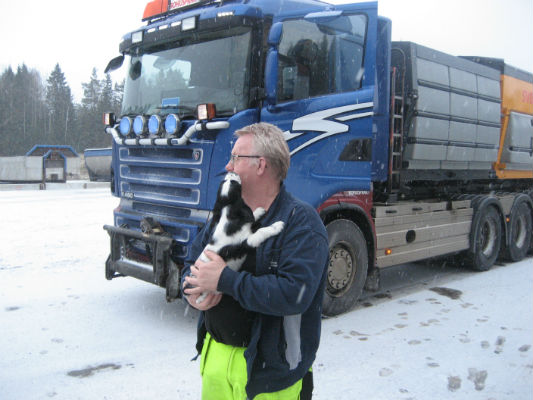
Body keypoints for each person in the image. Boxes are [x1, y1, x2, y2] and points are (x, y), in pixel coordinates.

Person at [182, 122, 329, 400]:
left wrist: (225, 280)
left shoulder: (301, 223)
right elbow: (191, 262)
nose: (228, 166)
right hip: (215, 365)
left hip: (271, 376)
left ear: (261, 165)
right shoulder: (224, 216)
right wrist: (191, 290)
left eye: (236, 157)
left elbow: (294, 294)